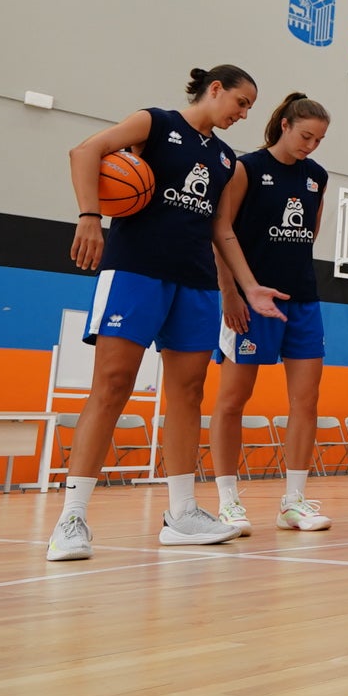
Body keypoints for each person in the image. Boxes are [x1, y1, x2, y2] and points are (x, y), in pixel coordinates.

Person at [45, 67, 256, 561]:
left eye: (249, 108)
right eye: (241, 102)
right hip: (136, 269)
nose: (243, 114)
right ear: (216, 89)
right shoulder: (154, 123)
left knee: (187, 393)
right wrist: (90, 216)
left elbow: (222, 230)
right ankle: (71, 518)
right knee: (113, 385)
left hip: (197, 280)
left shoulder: (226, 158)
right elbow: (85, 151)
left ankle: (182, 514)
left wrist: (244, 288)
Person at [215, 90, 336, 534]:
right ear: (285, 125)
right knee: (232, 401)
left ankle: (294, 501)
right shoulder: (247, 168)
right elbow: (220, 231)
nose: (311, 146)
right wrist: (229, 293)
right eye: (306, 136)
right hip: (250, 301)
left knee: (306, 402)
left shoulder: (317, 177)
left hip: (302, 300)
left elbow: (309, 235)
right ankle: (228, 500)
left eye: (319, 140)